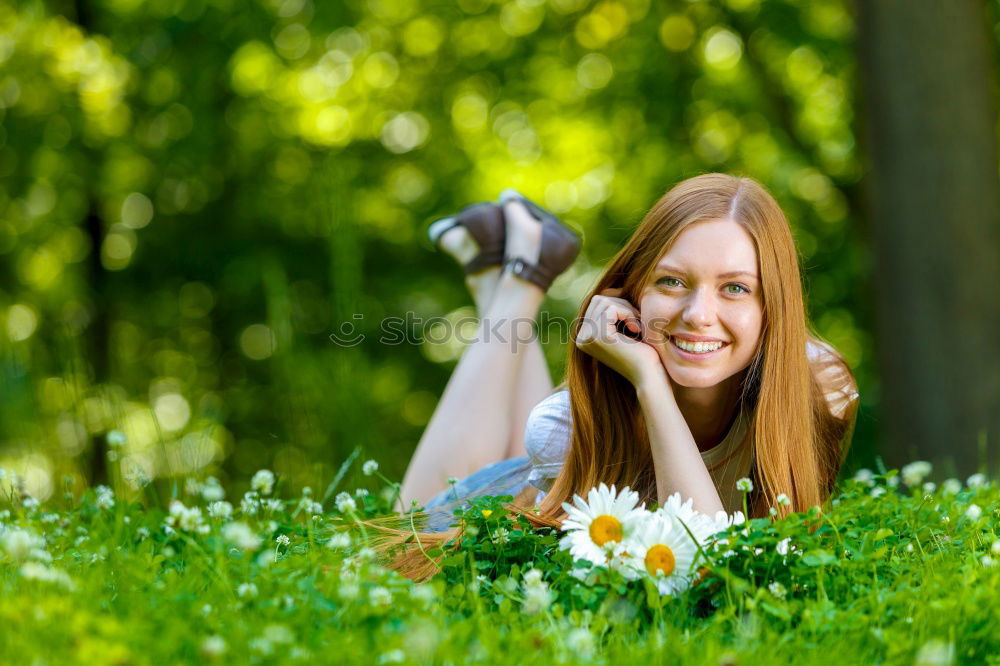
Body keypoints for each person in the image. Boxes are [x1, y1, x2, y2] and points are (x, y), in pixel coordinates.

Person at [388, 174, 859, 574]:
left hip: (547, 477)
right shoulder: (562, 426)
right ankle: (516, 280)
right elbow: (702, 563)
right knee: (400, 535)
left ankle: (506, 267)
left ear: (773, 304)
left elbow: (714, 568)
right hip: (504, 501)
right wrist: (650, 383)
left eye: (735, 288)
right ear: (634, 292)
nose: (698, 314)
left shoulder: (821, 388)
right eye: (671, 281)